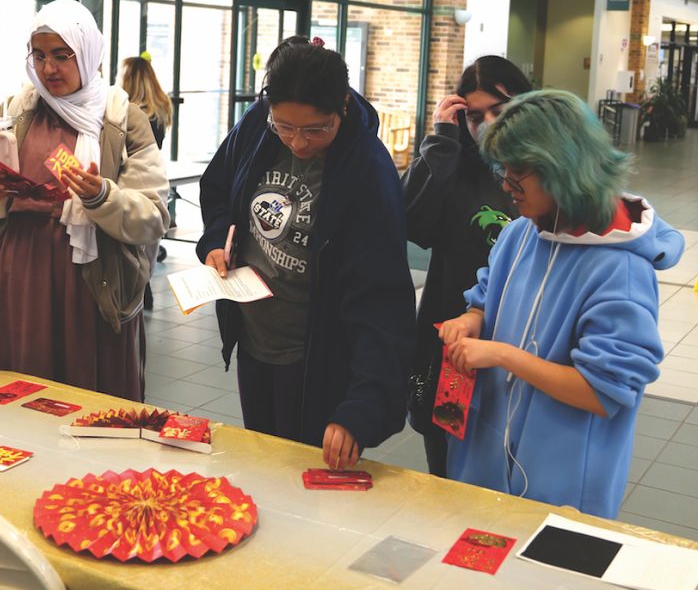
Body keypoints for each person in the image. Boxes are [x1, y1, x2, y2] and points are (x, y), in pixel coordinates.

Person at [439, 90, 683, 518]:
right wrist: (471, 319)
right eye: (504, 171)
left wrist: (501, 355)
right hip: (486, 464)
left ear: (561, 169)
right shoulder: (521, 234)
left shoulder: (619, 269)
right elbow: (484, 298)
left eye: (518, 173)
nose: (506, 186)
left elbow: (604, 392)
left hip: (562, 484)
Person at [198, 35, 415, 471]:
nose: (298, 142)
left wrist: (362, 407)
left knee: (308, 483)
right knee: (262, 469)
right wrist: (216, 242)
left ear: (342, 110)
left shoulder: (367, 172)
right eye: (285, 126)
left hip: (319, 355)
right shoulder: (258, 126)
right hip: (257, 339)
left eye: (316, 129)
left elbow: (382, 299)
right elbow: (218, 187)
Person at [0, 0, 169, 401]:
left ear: (88, 53)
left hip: (87, 286)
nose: (49, 69)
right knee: (7, 399)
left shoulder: (120, 119)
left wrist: (102, 197)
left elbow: (152, 217)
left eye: (62, 56)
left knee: (78, 403)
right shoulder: (17, 110)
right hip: (10, 278)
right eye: (40, 55)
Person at [402, 55, 532, 477]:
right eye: (475, 116)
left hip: (518, 347)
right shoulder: (454, 165)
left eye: (500, 110)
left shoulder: (547, 177)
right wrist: (441, 141)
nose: (488, 124)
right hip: (452, 345)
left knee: (510, 469)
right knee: (445, 468)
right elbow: (409, 222)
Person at [120, 53, 174, 308]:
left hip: (132, 183)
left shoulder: (130, 116)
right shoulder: (161, 107)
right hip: (155, 178)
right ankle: (145, 289)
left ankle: (140, 291)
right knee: (149, 244)